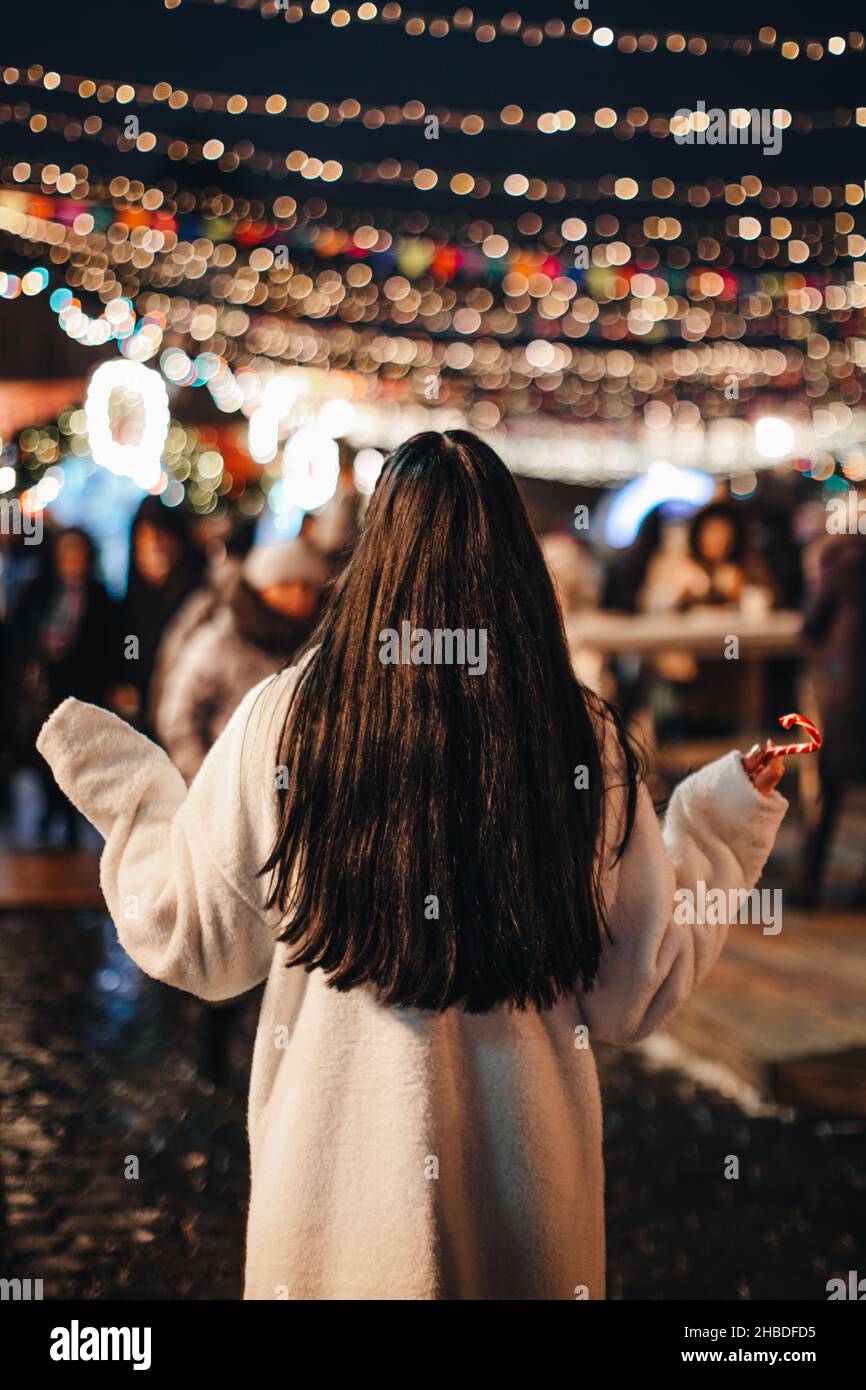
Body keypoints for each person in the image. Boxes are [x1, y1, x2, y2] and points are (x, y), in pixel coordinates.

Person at [36, 431, 788, 1300]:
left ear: (374, 554)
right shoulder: (574, 735)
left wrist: (129, 792)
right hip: (524, 1206)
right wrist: (718, 824)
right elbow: (633, 985)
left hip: (332, 1197)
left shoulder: (286, 720)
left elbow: (199, 939)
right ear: (516, 565)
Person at [156, 537, 327, 784]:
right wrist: (209, 784)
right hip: (226, 786)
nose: (297, 596)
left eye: (306, 587)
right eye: (286, 584)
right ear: (261, 587)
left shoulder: (315, 645)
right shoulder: (219, 641)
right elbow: (178, 718)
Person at [12, 528, 117, 841]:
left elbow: (113, 644)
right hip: (42, 692)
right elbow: (19, 635)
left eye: (78, 555)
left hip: (82, 692)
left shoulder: (99, 595)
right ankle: (51, 810)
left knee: (78, 758)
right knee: (44, 755)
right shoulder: (38, 591)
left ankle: (71, 815)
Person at [797, 529, 866, 903]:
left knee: (830, 792)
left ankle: (810, 884)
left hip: (849, 699)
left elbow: (811, 629)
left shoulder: (840, 565)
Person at [115, 497, 204, 734]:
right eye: (143, 541)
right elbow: (130, 645)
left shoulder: (198, 598)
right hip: (140, 721)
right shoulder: (135, 595)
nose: (153, 548)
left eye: (160, 538)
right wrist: (129, 682)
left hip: (182, 723)